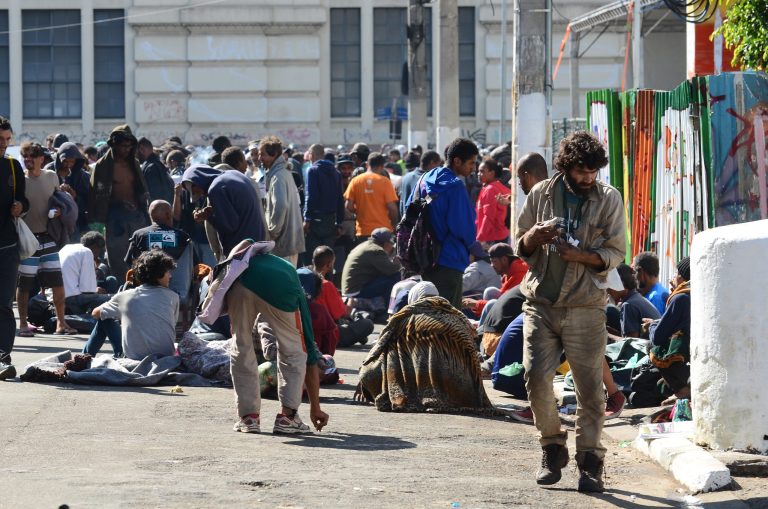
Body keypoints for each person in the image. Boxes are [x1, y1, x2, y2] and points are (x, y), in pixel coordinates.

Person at [516, 130, 625, 492]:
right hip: (541, 305)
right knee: (535, 380)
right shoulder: (540, 194)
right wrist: (536, 236)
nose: (588, 178)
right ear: (566, 167)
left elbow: (616, 252)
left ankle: (591, 463)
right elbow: (520, 244)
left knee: (591, 391)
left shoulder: (609, 199)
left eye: (594, 172)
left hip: (586, 306)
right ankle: (552, 448)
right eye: (582, 171)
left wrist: (581, 256)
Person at [224, 240, 329, 434]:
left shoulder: (242, 265)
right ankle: (288, 417)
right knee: (295, 351)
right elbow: (309, 354)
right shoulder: (289, 276)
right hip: (280, 288)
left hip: (238, 283)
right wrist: (316, 407)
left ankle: (248, 419)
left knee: (241, 345)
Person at [355, 294, 493, 413]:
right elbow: (474, 361)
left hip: (410, 394)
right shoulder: (459, 320)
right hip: (462, 393)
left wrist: (364, 380)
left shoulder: (403, 320)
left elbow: (377, 352)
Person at [16, 142, 74, 337]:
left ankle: (61, 323)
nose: (28, 160)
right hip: (27, 239)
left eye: (32, 156)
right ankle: (23, 324)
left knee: (57, 282)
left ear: (42, 159)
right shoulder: (19, 181)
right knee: (24, 284)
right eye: (25, 156)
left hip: (48, 237)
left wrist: (59, 211)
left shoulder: (51, 177)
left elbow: (59, 200)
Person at [415, 138, 479, 308]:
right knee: (448, 318)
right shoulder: (455, 186)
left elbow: (407, 208)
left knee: (429, 313)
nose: (473, 168)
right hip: (450, 259)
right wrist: (472, 247)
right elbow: (464, 228)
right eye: (471, 163)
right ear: (457, 161)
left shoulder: (425, 178)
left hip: (425, 257)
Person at [83, 250, 178, 360]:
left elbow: (95, 313)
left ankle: (84, 358)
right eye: (168, 272)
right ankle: (84, 358)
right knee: (106, 315)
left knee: (104, 318)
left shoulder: (125, 296)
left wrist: (122, 314)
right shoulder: (173, 297)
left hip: (133, 359)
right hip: (166, 358)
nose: (170, 276)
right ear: (159, 274)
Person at [89, 125, 150, 283]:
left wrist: (143, 199)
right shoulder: (103, 167)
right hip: (116, 220)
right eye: (123, 146)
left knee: (142, 256)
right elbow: (97, 196)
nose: (127, 150)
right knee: (119, 261)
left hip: (137, 217)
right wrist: (118, 203)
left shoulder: (134, 164)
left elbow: (141, 188)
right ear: (114, 145)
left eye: (130, 146)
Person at [182, 164, 266, 261]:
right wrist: (214, 211)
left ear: (198, 182)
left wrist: (208, 217)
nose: (201, 195)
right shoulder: (234, 174)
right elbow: (237, 209)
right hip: (257, 239)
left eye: (197, 191)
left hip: (241, 249)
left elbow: (229, 226)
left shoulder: (215, 189)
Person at [0, 117, 29, 380]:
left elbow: (24, 199)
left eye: (7, 140)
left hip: (7, 246)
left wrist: (21, 206)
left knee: (4, 304)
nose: (4, 145)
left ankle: (3, 356)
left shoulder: (12, 166)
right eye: (0, 140)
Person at [647, 257, 691, 404]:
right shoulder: (693, 293)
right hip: (689, 356)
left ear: (683, 277)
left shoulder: (681, 297)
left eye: (676, 273)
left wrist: (652, 325)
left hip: (683, 356)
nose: (673, 277)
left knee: (654, 348)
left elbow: (658, 337)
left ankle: (682, 389)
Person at [312, 245, 373, 347]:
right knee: (367, 324)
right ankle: (358, 335)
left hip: (308, 329)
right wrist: (350, 303)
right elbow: (342, 314)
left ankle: (358, 335)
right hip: (325, 333)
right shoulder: (326, 284)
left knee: (354, 324)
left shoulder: (303, 277)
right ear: (329, 264)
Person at [259, 136, 305, 265]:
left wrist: (272, 233)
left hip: (283, 243)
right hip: (288, 241)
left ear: (273, 155)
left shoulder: (278, 176)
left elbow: (280, 206)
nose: (259, 158)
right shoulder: (282, 173)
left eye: (262, 154)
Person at [462, 242, 528, 320]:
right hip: (509, 310)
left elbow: (506, 305)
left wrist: (475, 304)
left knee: (490, 304)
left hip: (518, 315)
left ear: (504, 259)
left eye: (494, 261)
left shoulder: (519, 274)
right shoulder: (508, 273)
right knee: (490, 291)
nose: (492, 265)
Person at [303, 144, 344, 267]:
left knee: (313, 258)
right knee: (327, 259)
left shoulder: (313, 170)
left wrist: (307, 218)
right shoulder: (336, 172)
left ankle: (314, 285)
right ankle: (327, 284)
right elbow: (339, 199)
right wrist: (339, 222)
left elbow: (311, 196)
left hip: (315, 220)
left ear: (312, 154)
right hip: (331, 220)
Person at [344, 152, 399, 243]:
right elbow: (392, 208)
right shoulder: (385, 182)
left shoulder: (355, 181)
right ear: (382, 166)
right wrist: (394, 225)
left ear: (367, 164)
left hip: (363, 232)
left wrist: (358, 210)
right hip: (383, 232)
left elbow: (348, 206)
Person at [340, 228, 401, 305]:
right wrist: (398, 261)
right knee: (395, 276)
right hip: (356, 293)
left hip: (350, 290)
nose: (392, 247)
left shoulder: (364, 245)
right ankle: (389, 307)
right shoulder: (376, 250)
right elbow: (391, 270)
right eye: (391, 244)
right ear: (385, 243)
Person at [124, 200, 191, 268]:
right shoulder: (183, 236)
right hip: (179, 278)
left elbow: (130, 262)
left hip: (147, 277)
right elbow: (194, 264)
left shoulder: (138, 235)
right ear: (168, 215)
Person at [59, 231, 112, 315]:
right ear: (95, 247)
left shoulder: (66, 248)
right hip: (71, 299)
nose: (98, 255)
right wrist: (96, 290)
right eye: (100, 250)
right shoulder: (87, 252)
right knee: (113, 299)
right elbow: (87, 290)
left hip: (58, 297)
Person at [46, 141, 90, 240]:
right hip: (54, 221)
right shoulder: (49, 171)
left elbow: (88, 202)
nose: (68, 165)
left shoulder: (81, 176)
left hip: (75, 222)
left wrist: (74, 197)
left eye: (72, 162)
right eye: (65, 161)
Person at [607, 263, 660, 338]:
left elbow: (630, 343)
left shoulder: (628, 305)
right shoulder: (636, 298)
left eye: (610, 286)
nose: (607, 290)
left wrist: (606, 335)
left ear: (622, 283)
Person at [476, 158, 510, 247]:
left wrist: (479, 238)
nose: (478, 174)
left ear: (492, 173)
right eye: (478, 171)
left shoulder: (490, 189)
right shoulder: (495, 187)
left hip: (492, 238)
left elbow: (488, 217)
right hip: (499, 235)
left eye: (482, 171)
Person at [400, 150, 441, 217]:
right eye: (438, 165)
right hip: (417, 224)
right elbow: (425, 202)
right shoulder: (427, 180)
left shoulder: (405, 177)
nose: (439, 169)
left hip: (405, 223)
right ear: (432, 163)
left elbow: (401, 203)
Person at [137, 137, 174, 204]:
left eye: (135, 151)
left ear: (142, 149)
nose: (135, 155)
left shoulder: (151, 168)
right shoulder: (157, 164)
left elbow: (154, 195)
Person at [633, 251, 670, 315]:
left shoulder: (655, 298)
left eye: (635, 272)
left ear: (641, 272)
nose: (634, 276)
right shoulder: (658, 292)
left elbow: (655, 324)